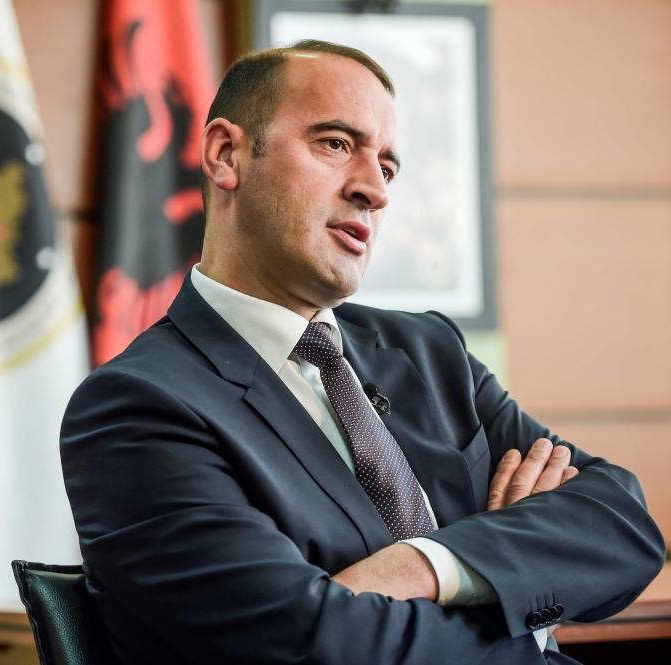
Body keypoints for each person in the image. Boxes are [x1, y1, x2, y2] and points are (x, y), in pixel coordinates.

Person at [60, 40, 665, 664]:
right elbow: (316, 645)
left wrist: (424, 565)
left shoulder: (431, 352)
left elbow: (621, 522)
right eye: (336, 144)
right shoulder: (136, 407)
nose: (374, 191)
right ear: (226, 154)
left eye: (389, 168)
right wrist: (515, 590)